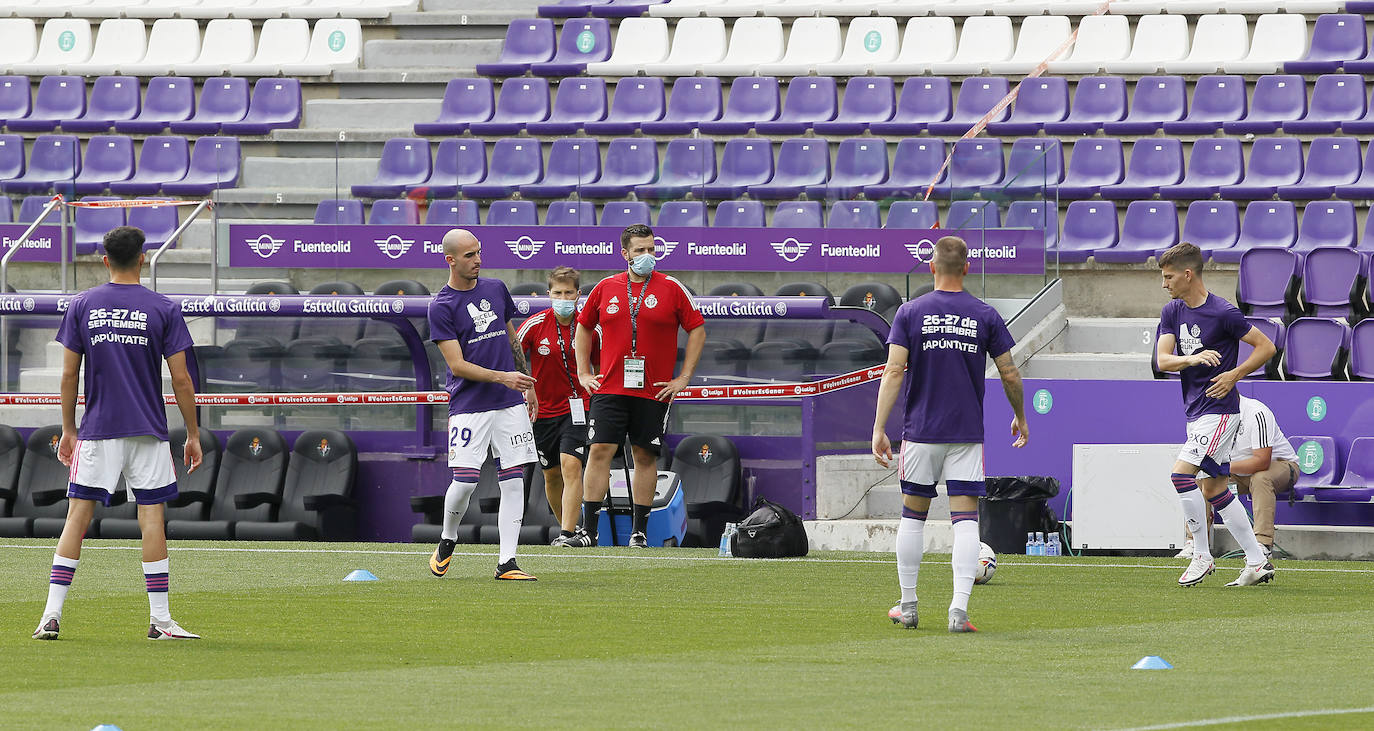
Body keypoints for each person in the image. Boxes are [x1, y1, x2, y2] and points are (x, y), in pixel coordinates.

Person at [34, 225, 203, 641]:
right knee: (152, 520)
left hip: (98, 430)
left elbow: (68, 375)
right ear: (142, 257)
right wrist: (193, 434)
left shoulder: (83, 304)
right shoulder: (164, 308)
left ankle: (50, 616)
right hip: (148, 430)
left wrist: (69, 429)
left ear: (105, 260)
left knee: (77, 517)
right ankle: (160, 622)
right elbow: (181, 380)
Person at [872, 235, 1028, 634]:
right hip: (965, 434)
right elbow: (1009, 372)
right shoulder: (984, 314)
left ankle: (908, 606)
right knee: (965, 521)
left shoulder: (910, 312)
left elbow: (893, 372)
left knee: (912, 518)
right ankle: (958, 612)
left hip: (921, 432)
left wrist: (878, 428)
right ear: (967, 269)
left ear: (931, 268)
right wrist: (1019, 415)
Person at [572, 224, 705, 548]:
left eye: (651, 249)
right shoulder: (605, 288)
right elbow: (584, 327)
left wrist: (683, 378)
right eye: (640, 250)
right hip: (610, 387)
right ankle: (588, 530)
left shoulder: (672, 288)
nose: (647, 256)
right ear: (625, 254)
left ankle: (640, 533)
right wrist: (584, 372)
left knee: (645, 456)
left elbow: (698, 329)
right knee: (600, 450)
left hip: (653, 389)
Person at [1155, 242, 1277, 588]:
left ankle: (1201, 555)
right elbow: (1163, 361)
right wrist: (1192, 359)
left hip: (1220, 410)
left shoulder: (1224, 313)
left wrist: (1234, 374)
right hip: (1195, 411)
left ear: (1187, 274)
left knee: (1181, 477)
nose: (1165, 284)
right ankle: (1257, 561)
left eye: (1169, 277)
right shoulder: (1172, 312)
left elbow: (1267, 346)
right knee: (1214, 488)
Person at [427, 229, 539, 581]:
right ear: (450, 260)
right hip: (470, 405)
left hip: (509, 403)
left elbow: (511, 336)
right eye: (469, 255)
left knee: (514, 479)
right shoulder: (441, 307)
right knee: (465, 483)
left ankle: (507, 562)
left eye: (479, 252)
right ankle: (448, 538)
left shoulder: (495, 288)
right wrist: (503, 377)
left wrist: (525, 381)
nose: (478, 260)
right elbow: (457, 365)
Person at [516, 266, 592, 547]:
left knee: (571, 464)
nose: (563, 297)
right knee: (551, 474)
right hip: (542, 412)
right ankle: (568, 528)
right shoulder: (534, 324)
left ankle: (567, 534)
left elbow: (606, 361)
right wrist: (528, 386)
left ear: (578, 294)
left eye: (568, 292)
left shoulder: (589, 326)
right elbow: (513, 354)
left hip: (579, 407)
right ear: (548, 294)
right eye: (558, 292)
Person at [1174, 394, 1298, 560]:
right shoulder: (1206, 417)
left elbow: (1262, 461)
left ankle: (1262, 543)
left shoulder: (1256, 412)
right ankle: (1195, 542)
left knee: (1261, 478)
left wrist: (1221, 467)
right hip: (1236, 472)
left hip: (1281, 466)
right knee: (1201, 478)